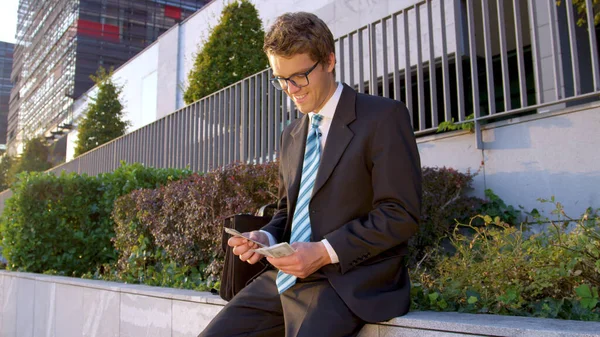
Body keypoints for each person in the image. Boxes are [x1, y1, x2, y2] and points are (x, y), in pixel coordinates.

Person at [199, 11, 421, 337]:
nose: (290, 89)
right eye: (280, 79)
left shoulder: (383, 117)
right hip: (285, 276)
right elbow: (286, 213)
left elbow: (400, 214)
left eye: (299, 76)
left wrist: (322, 252)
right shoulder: (290, 135)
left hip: (348, 279)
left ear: (329, 61)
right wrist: (267, 237)